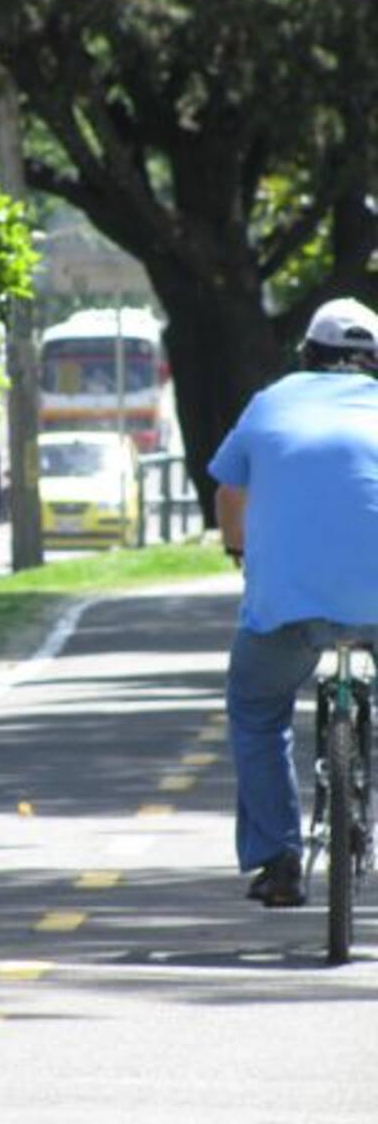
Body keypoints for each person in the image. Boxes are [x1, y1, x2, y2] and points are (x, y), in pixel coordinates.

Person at [209, 297, 378, 908]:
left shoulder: (271, 402)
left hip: (287, 606)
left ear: (307, 353)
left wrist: (239, 553)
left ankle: (278, 859)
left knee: (256, 710)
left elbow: (230, 491)